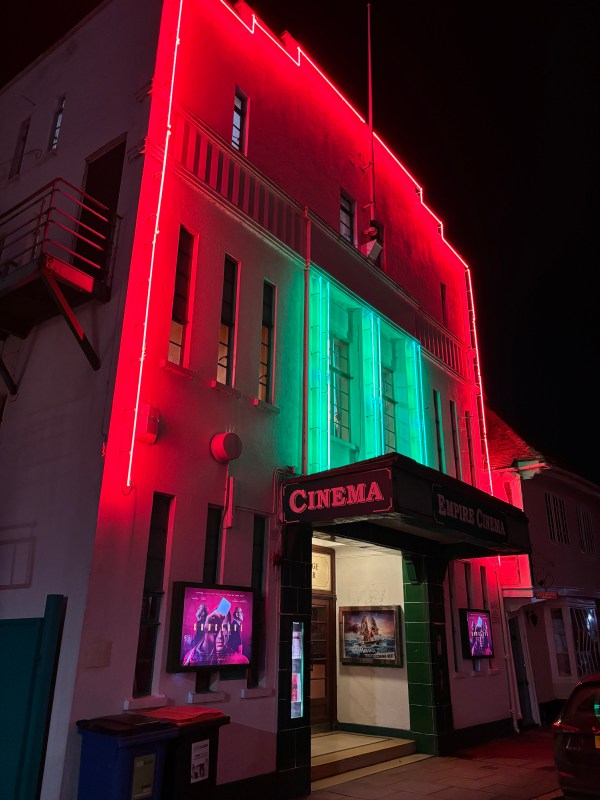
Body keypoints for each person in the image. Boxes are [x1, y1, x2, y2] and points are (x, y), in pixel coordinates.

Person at [182, 599, 249, 666]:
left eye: (224, 627)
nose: (220, 636)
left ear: (230, 630)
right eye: (215, 628)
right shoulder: (191, 656)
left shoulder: (240, 661)